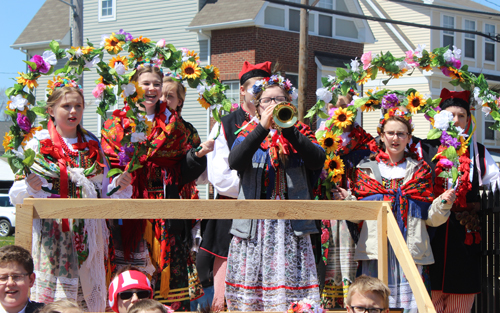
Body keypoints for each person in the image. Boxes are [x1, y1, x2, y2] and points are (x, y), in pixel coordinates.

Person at [101, 64, 209, 311]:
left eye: (156, 84)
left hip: (167, 212)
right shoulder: (115, 123)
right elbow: (107, 168)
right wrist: (118, 180)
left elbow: (185, 170)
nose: (151, 89)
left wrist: (198, 155)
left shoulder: (178, 125)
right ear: (133, 86)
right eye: (145, 83)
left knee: (168, 279)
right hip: (130, 211)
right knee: (130, 278)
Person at [8, 80, 110, 311]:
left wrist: (119, 185)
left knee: (85, 297)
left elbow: (103, 189)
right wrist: (31, 187)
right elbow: (17, 194)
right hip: (52, 233)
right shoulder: (37, 143)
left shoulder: (93, 143)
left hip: (87, 232)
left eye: (78, 106)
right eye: (66, 106)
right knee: (54, 301)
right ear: (50, 110)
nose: (73, 111)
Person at [225, 75, 325, 311]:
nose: (273, 105)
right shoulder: (247, 131)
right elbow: (235, 161)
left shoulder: (300, 132)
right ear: (257, 105)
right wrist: (262, 128)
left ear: (288, 104)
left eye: (280, 100)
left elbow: (317, 160)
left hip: (291, 226)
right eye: (267, 100)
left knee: (291, 294)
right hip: (254, 226)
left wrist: (289, 130)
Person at [344, 108, 456, 312]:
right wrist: (348, 201)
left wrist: (443, 204)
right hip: (375, 251)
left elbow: (431, 220)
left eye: (401, 133)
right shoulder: (365, 169)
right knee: (371, 302)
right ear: (382, 136)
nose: (395, 138)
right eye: (390, 133)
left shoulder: (421, 171)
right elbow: (358, 216)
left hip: (410, 250)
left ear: (408, 138)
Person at [202, 61, 272, 310]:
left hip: (271, 217)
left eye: (267, 87)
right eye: (256, 88)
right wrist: (261, 186)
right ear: (242, 90)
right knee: (230, 288)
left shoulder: (281, 120)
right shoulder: (225, 123)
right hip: (234, 213)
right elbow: (220, 178)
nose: (261, 93)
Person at [428, 89, 500, 313]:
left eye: (461, 116)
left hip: (465, 243)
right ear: (440, 117)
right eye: (451, 115)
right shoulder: (426, 147)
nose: (456, 120)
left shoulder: (478, 152)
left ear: (469, 120)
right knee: (429, 301)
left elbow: (496, 187)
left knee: (460, 303)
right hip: (432, 239)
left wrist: (479, 204)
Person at [317, 90, 376, 309]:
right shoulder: (323, 139)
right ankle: (331, 304)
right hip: (329, 212)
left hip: (355, 212)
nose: (343, 112)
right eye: (338, 107)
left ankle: (355, 304)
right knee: (329, 261)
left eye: (349, 107)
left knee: (352, 261)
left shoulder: (367, 143)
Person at [0, 245, 43, 313]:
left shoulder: (45, 311)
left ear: (31, 280)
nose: (10, 283)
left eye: (17, 276)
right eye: (3, 277)